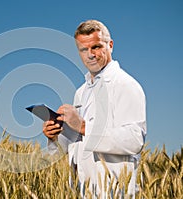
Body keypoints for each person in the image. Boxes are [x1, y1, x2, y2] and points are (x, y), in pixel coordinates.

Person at [43, 19, 146, 198]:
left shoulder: (125, 85)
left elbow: (134, 139)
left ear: (110, 45)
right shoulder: (81, 92)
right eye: (84, 50)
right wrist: (55, 136)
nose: (90, 55)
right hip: (83, 190)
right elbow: (76, 142)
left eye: (96, 47)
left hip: (114, 190)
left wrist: (83, 126)